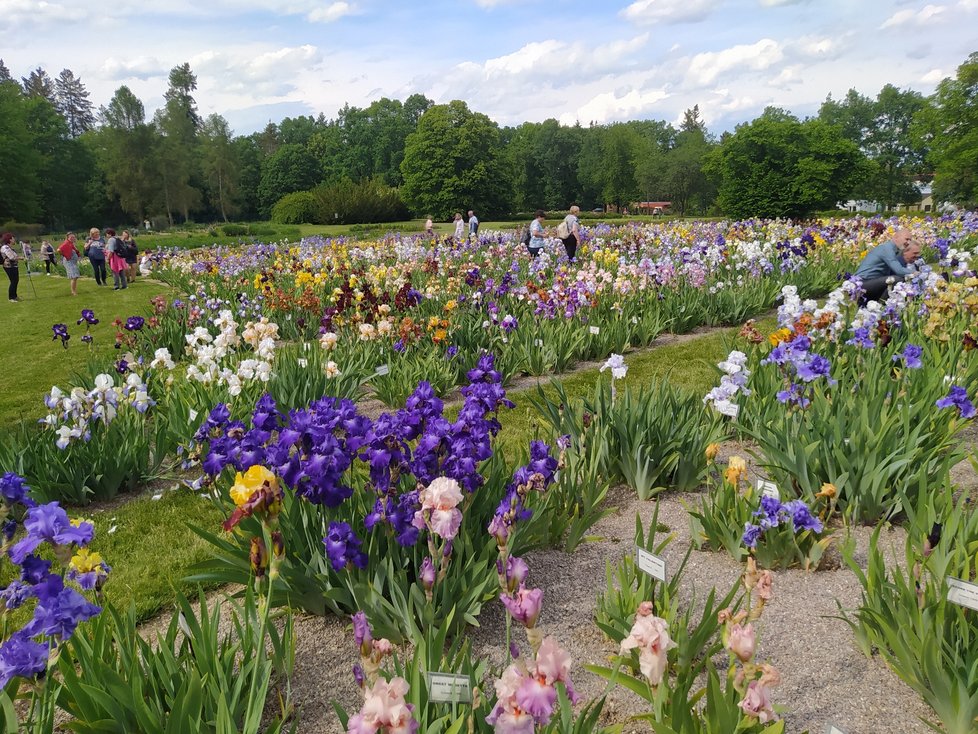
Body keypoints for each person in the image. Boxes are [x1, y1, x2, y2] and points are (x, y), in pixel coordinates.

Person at [854, 228, 921, 301]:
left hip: (871, 281)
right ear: (896, 237)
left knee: (894, 280)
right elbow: (899, 270)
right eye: (906, 239)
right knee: (895, 280)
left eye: (910, 240)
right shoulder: (887, 249)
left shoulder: (894, 250)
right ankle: (882, 305)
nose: (908, 242)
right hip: (862, 283)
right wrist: (915, 273)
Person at [1, 232, 20, 302]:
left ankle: (14, 296)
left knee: (16, 280)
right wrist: (20, 258)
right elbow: (11, 257)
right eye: (13, 238)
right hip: (9, 267)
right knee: (13, 281)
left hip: (13, 266)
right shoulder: (5, 247)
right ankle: (11, 297)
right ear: (9, 239)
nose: (14, 239)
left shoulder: (9, 247)